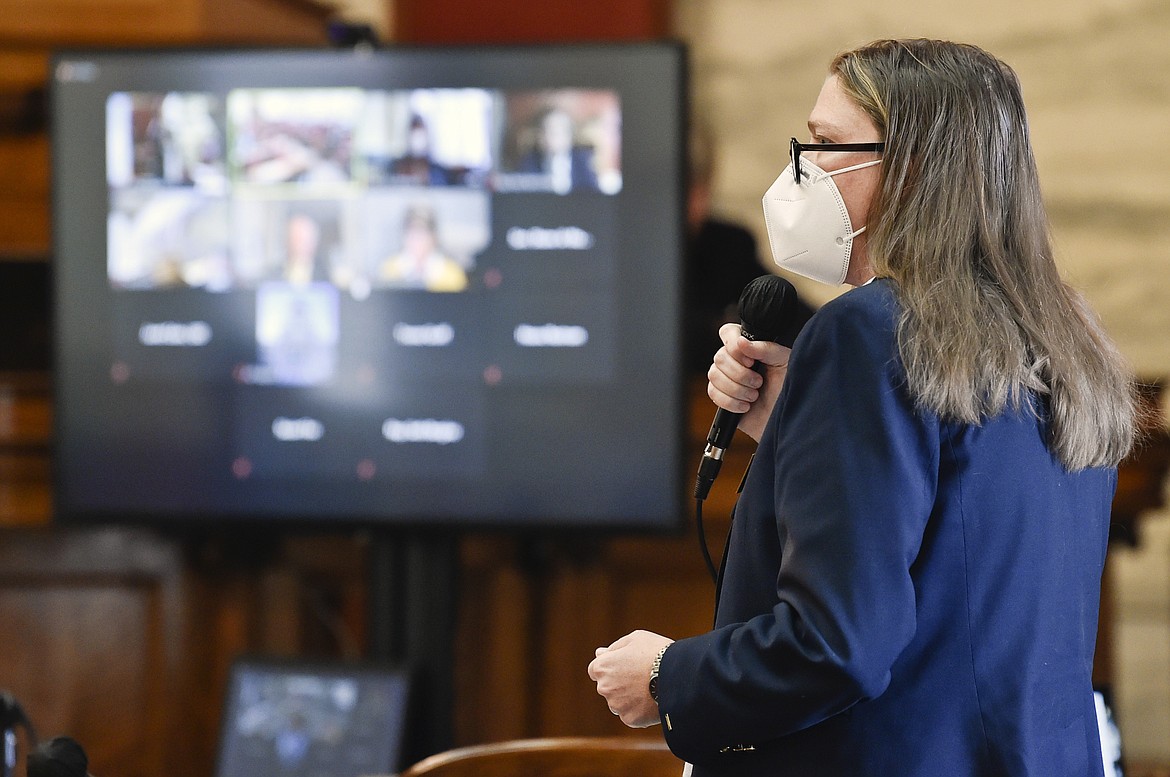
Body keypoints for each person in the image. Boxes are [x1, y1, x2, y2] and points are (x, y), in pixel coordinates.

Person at [588, 38, 1137, 776]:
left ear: (909, 165)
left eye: (825, 144)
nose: (800, 170)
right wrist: (800, 430)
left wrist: (667, 675)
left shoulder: (866, 332)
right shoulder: (1063, 335)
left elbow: (834, 645)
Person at [683, 121, 813, 375]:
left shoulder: (727, 244)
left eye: (702, 187)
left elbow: (799, 323)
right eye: (686, 187)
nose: (697, 205)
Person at [379, 204, 468, 292]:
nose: (417, 240)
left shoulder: (452, 273)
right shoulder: (390, 270)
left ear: (434, 237)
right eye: (413, 233)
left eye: (423, 233)